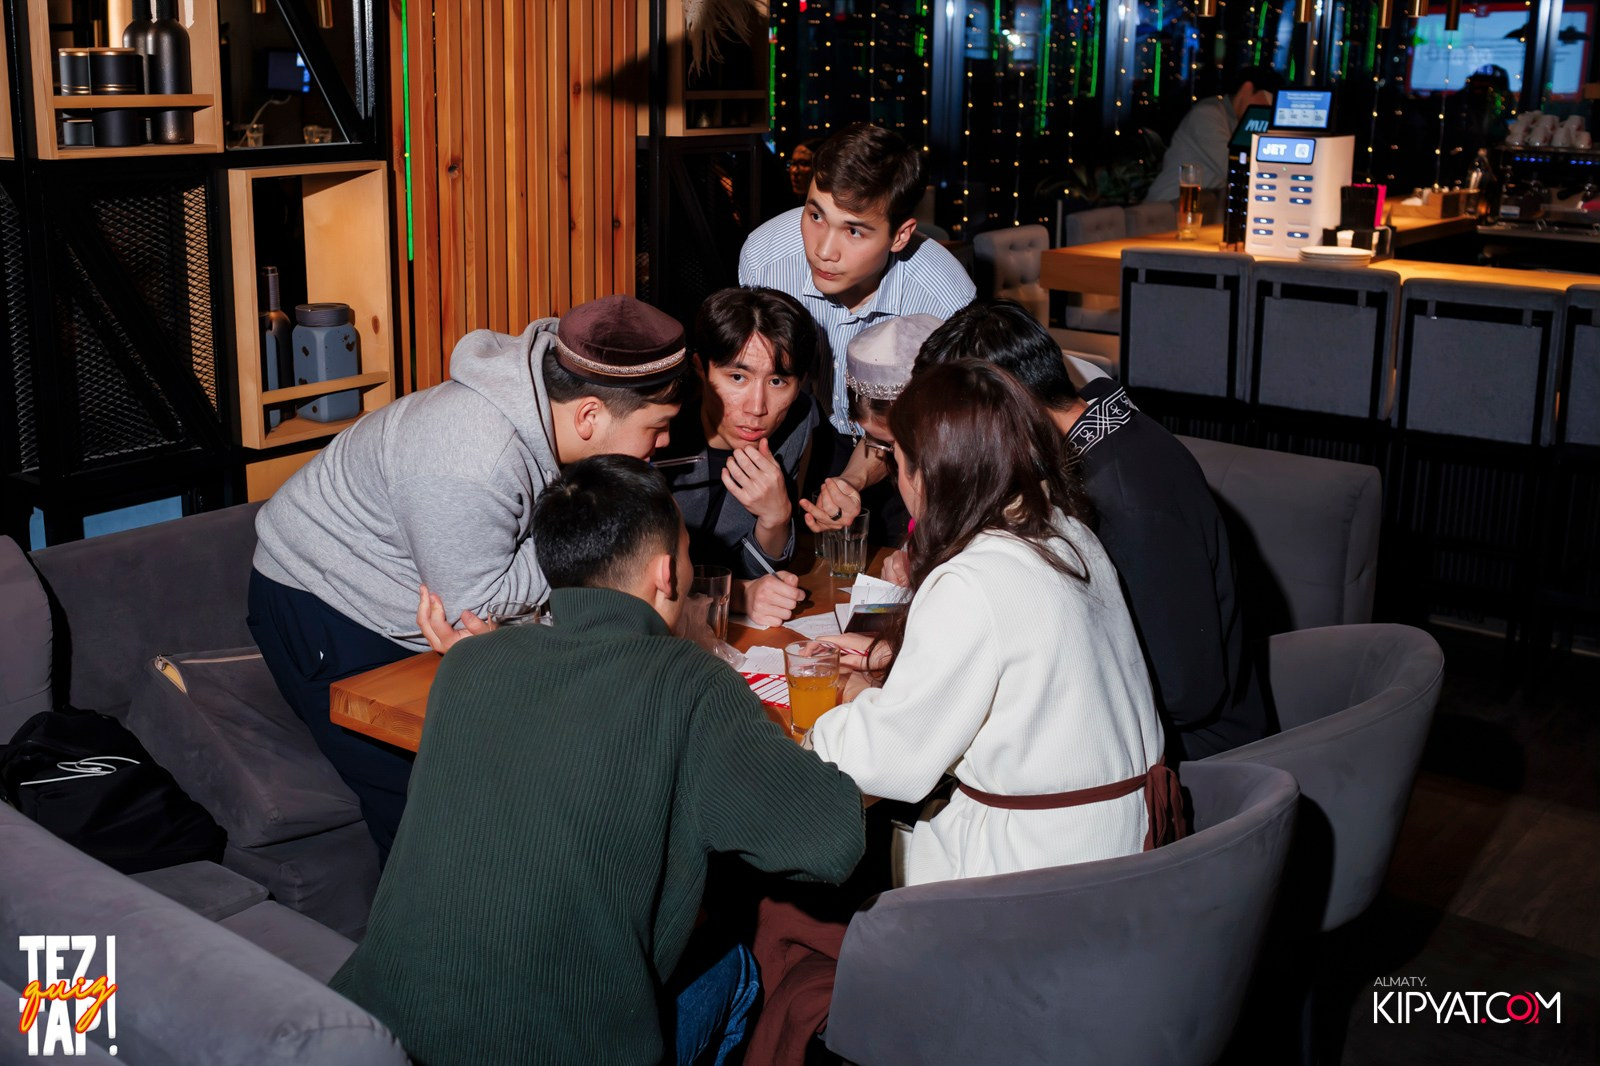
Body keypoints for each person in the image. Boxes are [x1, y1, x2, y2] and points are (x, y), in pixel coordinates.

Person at [332, 455, 866, 1066]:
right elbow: (833, 843)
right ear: (667, 572)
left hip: (373, 1031)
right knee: (740, 962)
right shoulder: (689, 682)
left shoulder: (468, 662)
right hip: (558, 1052)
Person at [247, 295, 691, 857]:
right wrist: (595, 546)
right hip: (324, 599)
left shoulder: (545, 415)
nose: (664, 443)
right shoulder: (473, 460)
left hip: (425, 592)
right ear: (589, 415)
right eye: (658, 426)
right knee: (428, 809)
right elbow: (474, 611)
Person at [813, 361, 1179, 885]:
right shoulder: (1066, 531)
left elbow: (889, 760)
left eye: (897, 459)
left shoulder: (971, 579)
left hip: (1039, 870)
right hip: (1123, 841)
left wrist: (843, 704)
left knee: (823, 881)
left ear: (927, 473)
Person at [915, 300, 1270, 759]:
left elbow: (1187, 693)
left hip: (1194, 754)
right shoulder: (1101, 424)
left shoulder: (1125, 502)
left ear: (1003, 407)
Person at [737, 123, 974, 529]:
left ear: (900, 236)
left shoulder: (942, 300)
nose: (823, 251)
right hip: (799, 426)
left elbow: (925, 431)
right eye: (815, 215)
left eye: (854, 230)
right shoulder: (765, 261)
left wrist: (851, 480)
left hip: (907, 450)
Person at [652, 287, 820, 627]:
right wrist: (738, 595)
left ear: (800, 383)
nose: (757, 408)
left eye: (777, 381)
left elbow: (757, 568)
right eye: (738, 377)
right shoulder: (658, 427)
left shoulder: (796, 421)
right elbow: (623, 573)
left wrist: (776, 518)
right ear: (700, 368)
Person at [1147, 65, 1284, 204]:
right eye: (1267, 103)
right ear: (1247, 89)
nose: (1267, 113)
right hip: (1165, 208)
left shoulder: (1234, 123)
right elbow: (1233, 168)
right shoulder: (1207, 114)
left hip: (1193, 208)